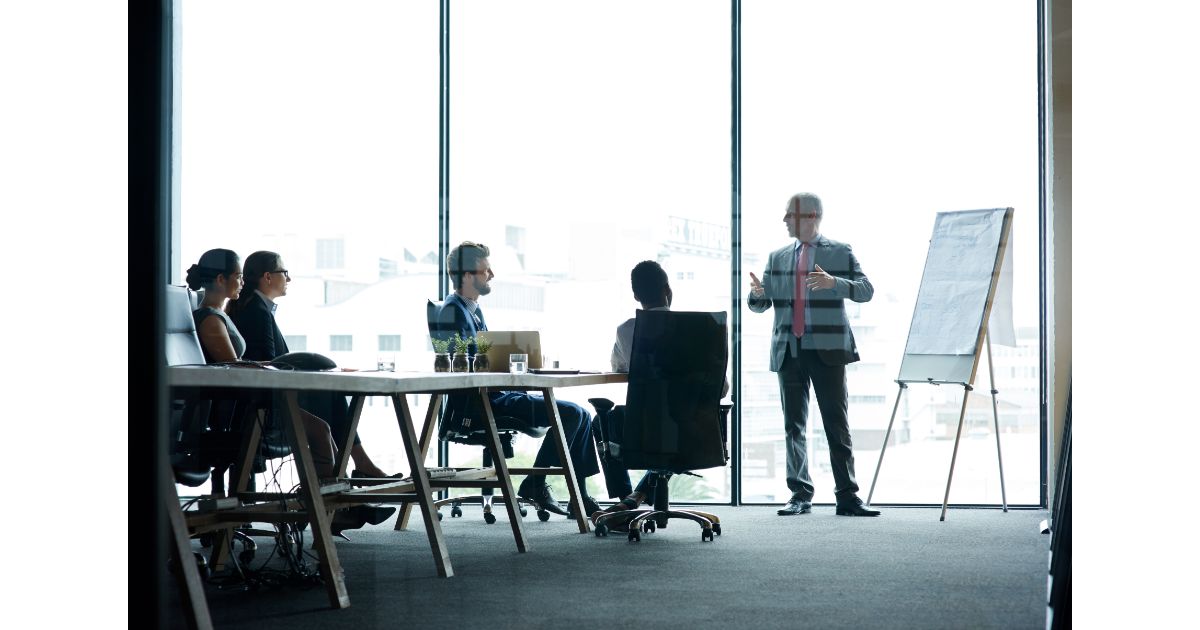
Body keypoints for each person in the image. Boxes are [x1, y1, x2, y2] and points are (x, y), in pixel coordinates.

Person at [186, 249, 395, 533]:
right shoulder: (211, 319)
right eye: (238, 276)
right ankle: (334, 509)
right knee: (320, 430)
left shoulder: (222, 314)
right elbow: (232, 370)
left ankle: (340, 505)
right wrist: (278, 367)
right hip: (250, 410)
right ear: (222, 279)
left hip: (255, 404)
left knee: (323, 427)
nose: (242, 282)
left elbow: (243, 363)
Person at [430, 241, 602, 518]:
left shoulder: (472, 310)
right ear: (467, 276)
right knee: (573, 414)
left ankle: (575, 496)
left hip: (497, 395)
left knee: (580, 414)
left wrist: (514, 364)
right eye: (486, 270)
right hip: (483, 403)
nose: (492, 275)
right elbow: (461, 365)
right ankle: (538, 483)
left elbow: (482, 356)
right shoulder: (453, 311)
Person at [747, 193, 880, 517]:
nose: (784, 220)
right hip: (789, 351)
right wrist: (757, 295)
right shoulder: (777, 257)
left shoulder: (840, 251)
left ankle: (847, 497)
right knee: (793, 426)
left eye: (789, 215)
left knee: (836, 425)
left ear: (810, 216)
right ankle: (799, 495)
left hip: (827, 351)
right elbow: (761, 304)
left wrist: (834, 282)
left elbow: (866, 290)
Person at [226, 250, 395, 480]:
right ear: (267, 277)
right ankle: (352, 473)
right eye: (284, 272)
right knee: (331, 399)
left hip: (271, 399)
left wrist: (325, 370)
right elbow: (271, 366)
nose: (289, 278)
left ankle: (355, 469)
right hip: (268, 405)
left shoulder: (256, 308)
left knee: (333, 395)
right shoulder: (256, 311)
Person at [600, 261, 730, 517]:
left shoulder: (626, 330)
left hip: (644, 427)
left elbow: (618, 367)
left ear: (636, 296)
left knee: (601, 422)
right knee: (676, 429)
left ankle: (625, 501)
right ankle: (634, 498)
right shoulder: (702, 328)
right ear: (667, 290)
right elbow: (722, 389)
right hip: (697, 429)